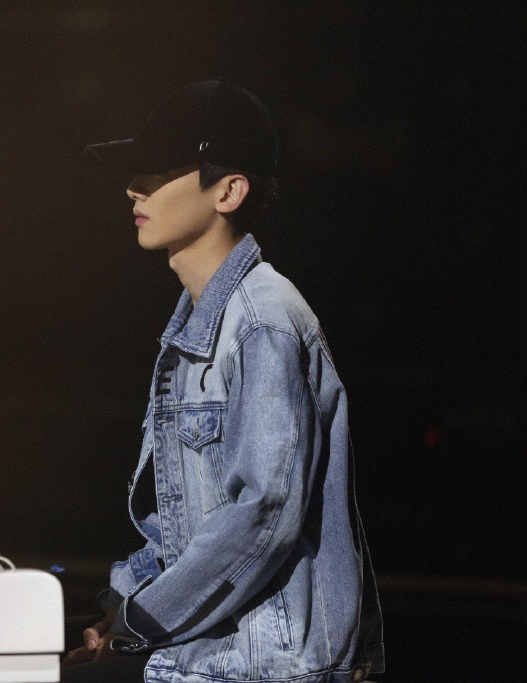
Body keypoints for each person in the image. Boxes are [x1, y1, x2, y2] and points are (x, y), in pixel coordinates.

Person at [62, 81, 385, 683]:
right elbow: (184, 522)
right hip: (215, 644)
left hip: (263, 660)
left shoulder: (263, 320)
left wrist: (139, 622)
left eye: (161, 170)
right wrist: (119, 609)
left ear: (229, 191)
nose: (134, 188)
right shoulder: (200, 321)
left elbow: (263, 514)